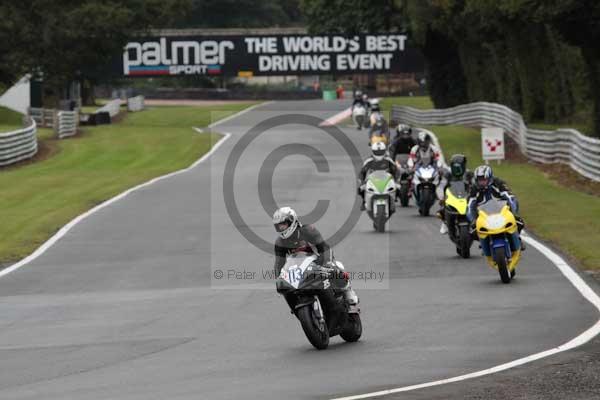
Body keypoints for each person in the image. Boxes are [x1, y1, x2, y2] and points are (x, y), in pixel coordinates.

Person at [272, 207, 358, 305]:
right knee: (286, 289)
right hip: (300, 270)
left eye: (283, 224)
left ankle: (347, 290)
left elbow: (324, 248)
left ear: (292, 221)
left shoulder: (308, 230)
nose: (281, 228)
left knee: (337, 267)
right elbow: (279, 263)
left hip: (319, 262)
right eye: (279, 226)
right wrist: (279, 279)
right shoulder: (280, 242)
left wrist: (328, 263)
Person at [467, 165, 525, 250]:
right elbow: (470, 205)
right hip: (484, 214)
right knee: (472, 230)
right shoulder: (474, 189)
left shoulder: (498, 183)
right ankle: (483, 242)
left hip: (502, 211)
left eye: (483, 179)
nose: (481, 182)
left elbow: (509, 197)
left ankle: (517, 237)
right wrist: (473, 220)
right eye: (479, 180)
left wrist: (513, 213)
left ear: (489, 178)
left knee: (519, 221)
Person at [436, 154, 473, 234]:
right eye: (455, 166)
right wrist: (441, 197)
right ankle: (445, 222)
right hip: (451, 194)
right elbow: (441, 186)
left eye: (459, 166)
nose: (457, 168)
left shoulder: (469, 174)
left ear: (464, 165)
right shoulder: (447, 174)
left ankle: (475, 222)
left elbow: (475, 184)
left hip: (466, 194)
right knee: (442, 206)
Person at [357, 142, 398, 210]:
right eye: (377, 152)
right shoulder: (369, 161)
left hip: (387, 180)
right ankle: (364, 202)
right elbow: (362, 172)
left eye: (381, 151)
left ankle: (394, 199)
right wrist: (362, 183)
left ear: (384, 151)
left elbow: (396, 171)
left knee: (398, 188)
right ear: (373, 151)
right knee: (360, 189)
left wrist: (396, 181)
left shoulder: (388, 160)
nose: (379, 153)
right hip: (372, 180)